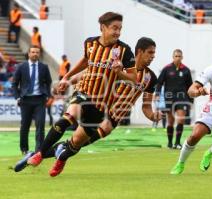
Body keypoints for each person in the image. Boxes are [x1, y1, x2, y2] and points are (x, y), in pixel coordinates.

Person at [15, 37, 161, 176]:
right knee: (70, 125)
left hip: (114, 118)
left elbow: (146, 106)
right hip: (98, 106)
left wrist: (153, 116)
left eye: (154, 53)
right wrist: (68, 81)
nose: (153, 56)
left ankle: (46, 155)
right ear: (140, 52)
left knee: (77, 142)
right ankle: (39, 154)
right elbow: (89, 72)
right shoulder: (120, 63)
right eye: (150, 52)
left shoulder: (151, 78)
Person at [13, 11, 136, 170]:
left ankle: (62, 157)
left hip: (101, 104)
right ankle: (40, 154)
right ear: (103, 27)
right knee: (68, 117)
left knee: (77, 142)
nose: (118, 32)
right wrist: (66, 77)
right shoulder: (90, 43)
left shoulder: (124, 50)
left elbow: (134, 78)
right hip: (84, 91)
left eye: (120, 28)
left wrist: (119, 72)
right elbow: (85, 61)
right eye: (114, 28)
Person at [12, 46, 52, 155]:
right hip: (25, 100)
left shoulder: (44, 67)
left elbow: (48, 82)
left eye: (37, 52)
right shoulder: (21, 67)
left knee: (40, 125)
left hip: (40, 100)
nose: (35, 54)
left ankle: (39, 150)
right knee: (25, 125)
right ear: (29, 54)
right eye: (33, 52)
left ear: (39, 54)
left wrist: (48, 95)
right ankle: (24, 149)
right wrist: (17, 97)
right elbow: (14, 83)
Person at [156, 49, 193, 149]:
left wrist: (191, 101)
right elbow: (159, 82)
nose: (177, 58)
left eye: (179, 56)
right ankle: (169, 142)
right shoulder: (167, 69)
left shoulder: (186, 70)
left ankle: (177, 142)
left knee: (180, 120)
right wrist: (157, 94)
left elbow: (190, 86)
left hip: (182, 99)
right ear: (173, 57)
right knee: (171, 121)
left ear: (182, 57)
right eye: (176, 56)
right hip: (169, 98)